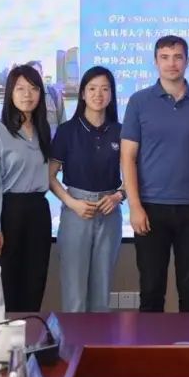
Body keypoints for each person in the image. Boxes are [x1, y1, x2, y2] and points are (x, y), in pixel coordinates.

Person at [121, 35, 189, 312]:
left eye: (177, 57)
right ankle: (150, 343)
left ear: (188, 61)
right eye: (164, 57)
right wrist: (135, 206)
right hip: (150, 208)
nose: (171, 63)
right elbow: (128, 157)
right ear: (155, 62)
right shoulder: (139, 101)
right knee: (151, 290)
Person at [49, 66, 124, 312]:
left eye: (104, 89)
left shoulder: (120, 131)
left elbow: (135, 175)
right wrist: (72, 203)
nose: (98, 94)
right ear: (82, 93)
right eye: (92, 88)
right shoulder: (67, 131)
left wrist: (118, 196)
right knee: (75, 294)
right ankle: (72, 339)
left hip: (109, 212)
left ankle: (98, 339)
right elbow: (50, 176)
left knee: (102, 294)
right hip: (76, 211)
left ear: (111, 94)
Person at [0, 64, 53, 312]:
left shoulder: (44, 130)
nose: (27, 95)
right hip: (8, 211)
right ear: (10, 93)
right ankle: (2, 337)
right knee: (4, 288)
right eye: (20, 88)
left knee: (34, 283)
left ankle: (29, 336)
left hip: (38, 211)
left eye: (33, 88)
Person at [27, 60, 66, 133]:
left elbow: (63, 122)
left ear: (42, 74)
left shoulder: (54, 93)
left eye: (37, 72)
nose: (34, 76)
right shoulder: (23, 97)